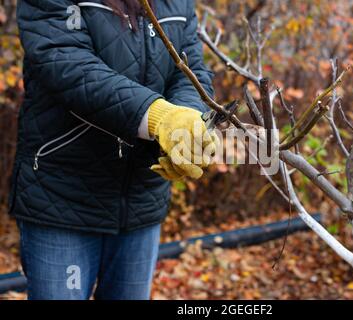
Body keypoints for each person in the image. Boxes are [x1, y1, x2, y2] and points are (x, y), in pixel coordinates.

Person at [9, 0, 217, 300]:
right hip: (63, 197)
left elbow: (191, 70)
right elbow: (67, 64)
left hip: (141, 197)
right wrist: (160, 118)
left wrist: (186, 123)